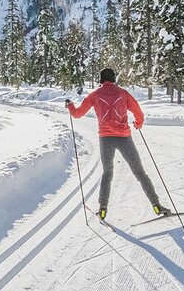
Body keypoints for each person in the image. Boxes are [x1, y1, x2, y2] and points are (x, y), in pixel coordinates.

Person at [67, 68, 168, 221]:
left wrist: (70, 106)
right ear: (114, 79)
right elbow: (138, 113)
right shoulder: (122, 93)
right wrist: (138, 124)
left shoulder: (95, 95)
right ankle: (156, 205)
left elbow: (77, 114)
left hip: (106, 139)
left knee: (107, 173)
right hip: (124, 138)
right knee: (140, 173)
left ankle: (102, 209)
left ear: (101, 80)